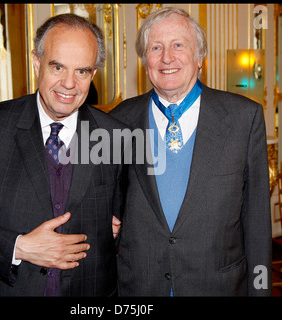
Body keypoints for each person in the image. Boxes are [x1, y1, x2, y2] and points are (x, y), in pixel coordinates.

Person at [0, 13, 126, 297]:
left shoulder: (115, 135)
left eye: (82, 71)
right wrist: (18, 246)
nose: (69, 83)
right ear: (37, 62)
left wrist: (117, 229)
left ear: (93, 74)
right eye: (58, 67)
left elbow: (127, 221)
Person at [110, 7, 272, 296]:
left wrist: (260, 291)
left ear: (200, 58)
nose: (166, 57)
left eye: (178, 45)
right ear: (145, 59)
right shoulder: (119, 120)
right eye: (156, 47)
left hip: (218, 286)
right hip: (140, 289)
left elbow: (258, 224)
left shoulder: (243, 118)